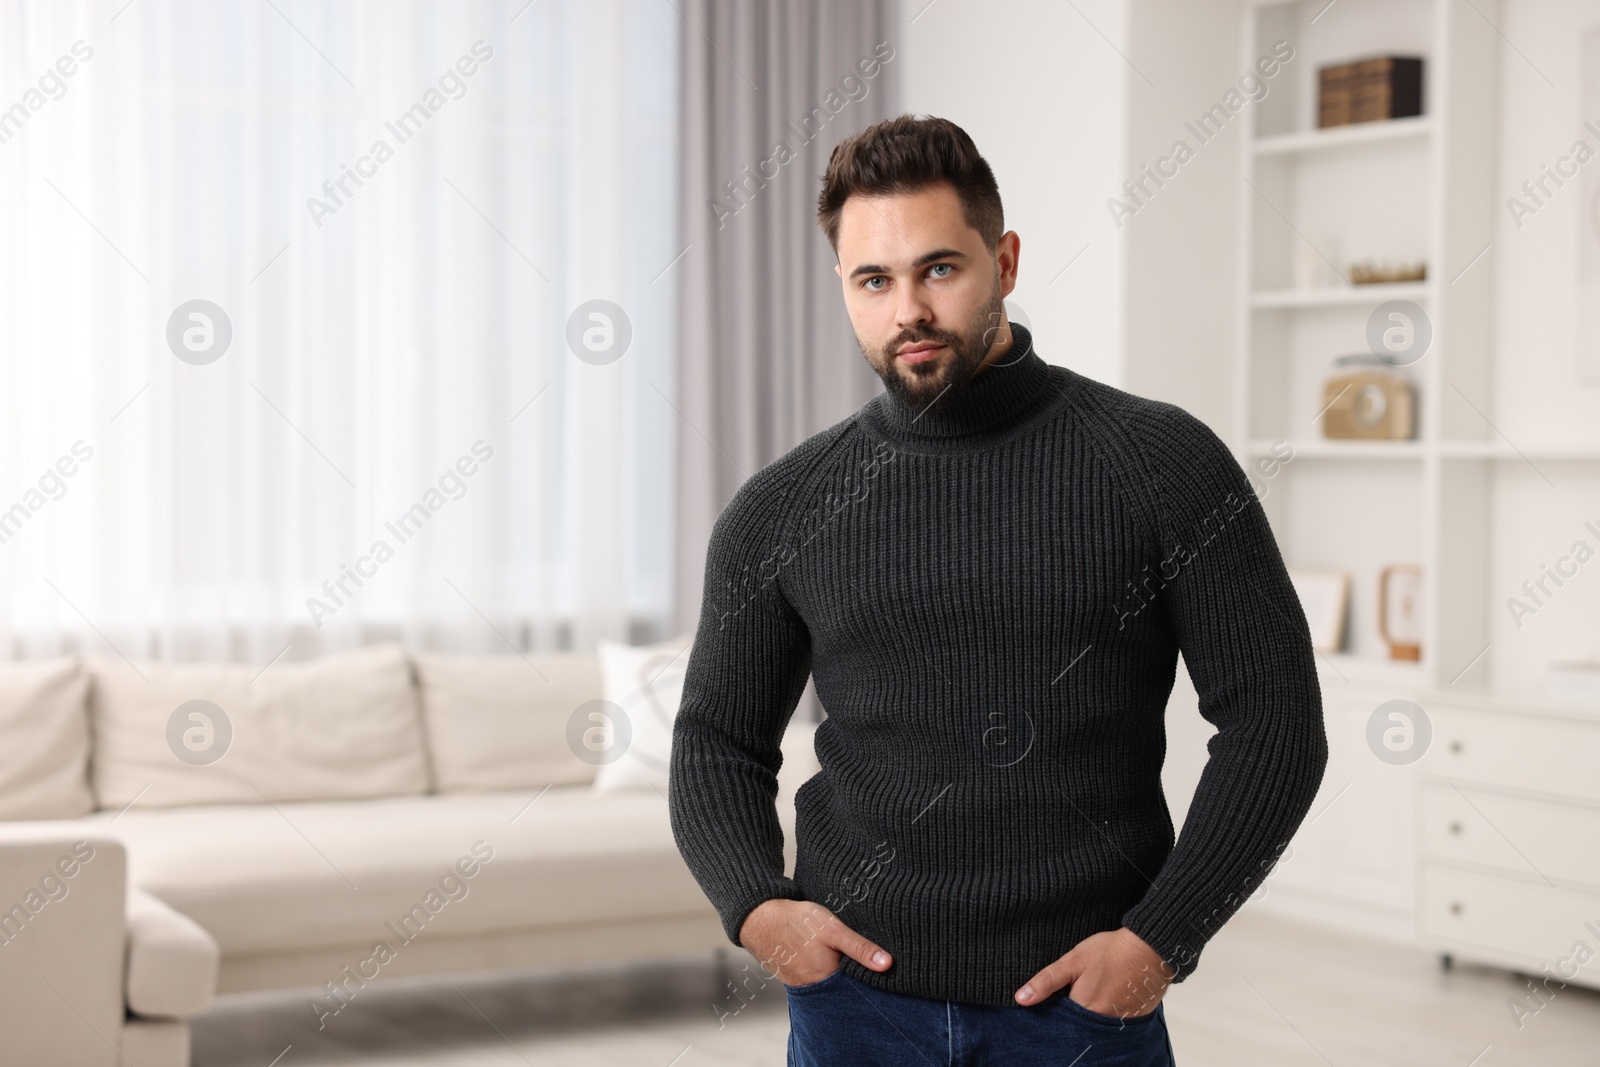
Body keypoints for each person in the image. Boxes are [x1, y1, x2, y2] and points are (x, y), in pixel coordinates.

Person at [667, 113, 1327, 1066]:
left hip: (1082, 1013)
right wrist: (760, 908)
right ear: (844, 288)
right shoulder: (782, 506)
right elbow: (716, 741)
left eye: (939, 268)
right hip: (855, 1011)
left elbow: (1277, 721)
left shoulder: (1164, 463)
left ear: (1005, 261)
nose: (908, 311)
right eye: (873, 280)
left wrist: (1158, 941)